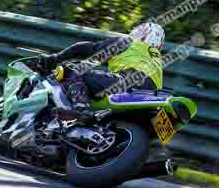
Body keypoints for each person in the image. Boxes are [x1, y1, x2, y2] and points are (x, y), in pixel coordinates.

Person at [34, 22, 166, 121]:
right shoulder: (157, 58)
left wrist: (56, 58)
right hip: (151, 95)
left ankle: (81, 108)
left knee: (75, 71)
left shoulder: (130, 43)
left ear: (141, 33)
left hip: (127, 83)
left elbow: (86, 49)